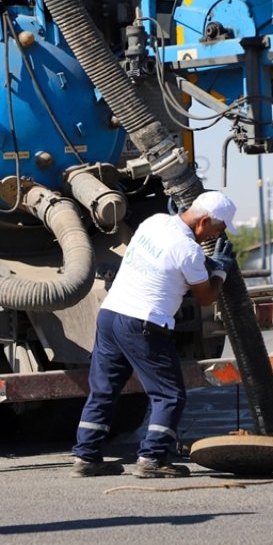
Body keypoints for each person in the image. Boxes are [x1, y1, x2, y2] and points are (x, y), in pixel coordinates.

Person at [71, 190, 238, 478]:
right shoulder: (189, 251)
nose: (216, 236)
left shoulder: (154, 223)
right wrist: (220, 271)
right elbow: (206, 297)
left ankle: (86, 457)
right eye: (218, 229)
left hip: (111, 316)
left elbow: (166, 264)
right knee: (169, 395)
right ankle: (152, 459)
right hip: (143, 324)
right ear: (205, 220)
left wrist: (206, 264)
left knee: (104, 391)